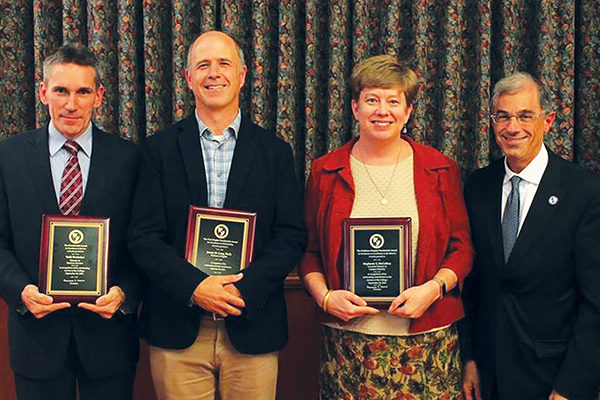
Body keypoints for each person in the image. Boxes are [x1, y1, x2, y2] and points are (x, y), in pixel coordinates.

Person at [127, 30, 306, 400]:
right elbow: (143, 237)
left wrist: (242, 290)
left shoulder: (275, 152)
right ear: (189, 78)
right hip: (178, 325)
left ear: (242, 75)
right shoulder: (158, 150)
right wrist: (195, 286)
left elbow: (290, 235)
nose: (214, 73)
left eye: (224, 63)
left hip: (252, 323)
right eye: (203, 65)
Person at [298, 55, 473, 399]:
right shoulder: (325, 172)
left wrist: (434, 289)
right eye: (372, 100)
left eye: (393, 101)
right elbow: (309, 251)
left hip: (427, 340)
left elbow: (462, 248)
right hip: (350, 344)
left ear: (408, 112)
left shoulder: (440, 169)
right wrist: (326, 297)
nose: (382, 110)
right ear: (355, 108)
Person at [0, 45, 140, 400]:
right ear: (43, 91)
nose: (71, 104)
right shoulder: (8, 157)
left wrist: (125, 293)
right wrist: (20, 291)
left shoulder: (130, 159)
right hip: (36, 338)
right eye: (61, 90)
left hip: (109, 340)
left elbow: (144, 242)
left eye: (83, 92)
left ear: (99, 96)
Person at [460, 72, 600, 400]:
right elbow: (473, 283)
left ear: (548, 121)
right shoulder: (478, 186)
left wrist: (571, 386)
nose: (513, 127)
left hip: (553, 377)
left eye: (525, 115)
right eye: (503, 116)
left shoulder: (585, 192)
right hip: (489, 374)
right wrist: (469, 357)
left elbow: (596, 302)